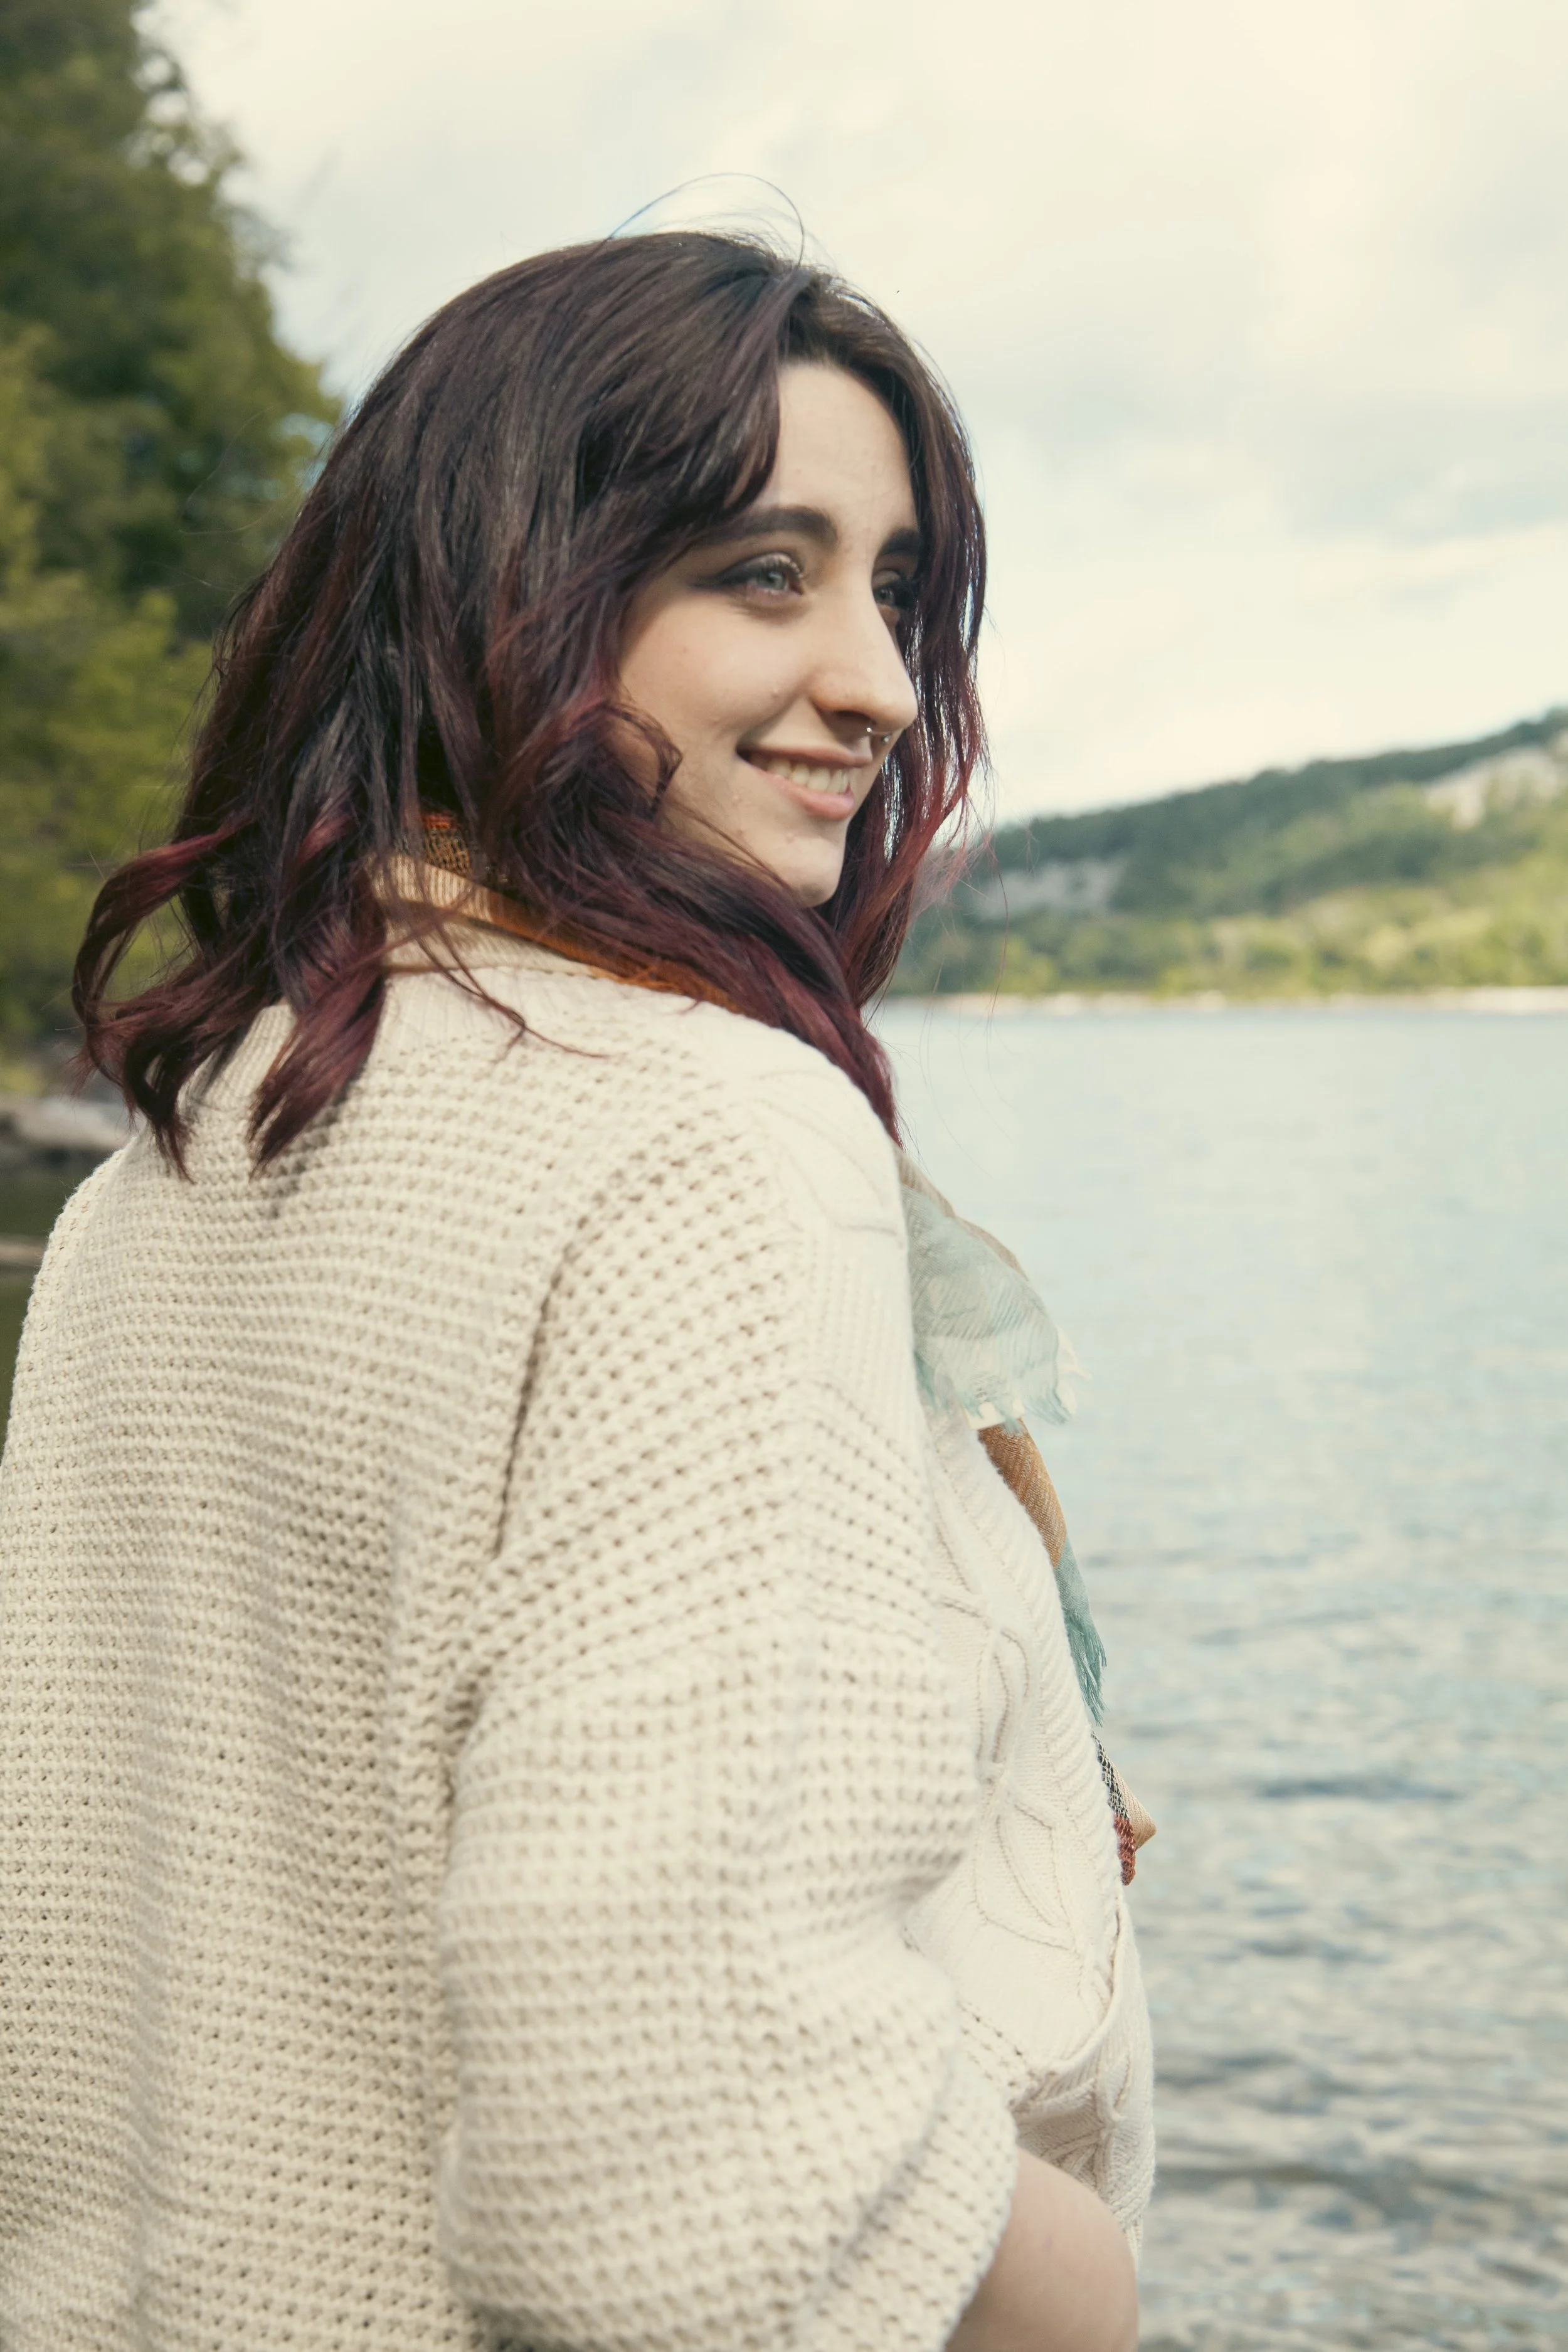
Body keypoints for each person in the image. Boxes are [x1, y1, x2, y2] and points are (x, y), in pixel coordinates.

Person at [0, 231, 1153, 2351]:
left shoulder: (182, 1147)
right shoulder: (701, 1141)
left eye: (893, 589)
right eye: (760, 572)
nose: (883, 684)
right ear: (503, 588)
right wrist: (1072, 2283)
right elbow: (676, 2199)